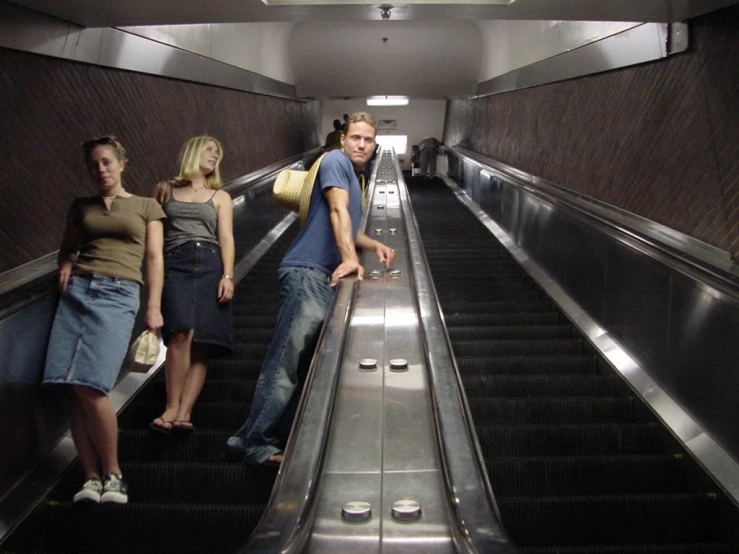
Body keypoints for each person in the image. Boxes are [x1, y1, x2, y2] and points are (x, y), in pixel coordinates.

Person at [226, 112, 396, 466]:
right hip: (308, 272)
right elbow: (336, 210)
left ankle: (247, 436)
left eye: (368, 140)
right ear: (344, 140)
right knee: (285, 361)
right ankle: (257, 442)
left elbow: (346, 224)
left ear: (375, 145)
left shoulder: (356, 179)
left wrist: (372, 244)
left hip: (321, 275)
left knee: (296, 361)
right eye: (355, 138)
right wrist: (350, 259)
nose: (361, 144)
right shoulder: (335, 162)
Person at [43, 135, 165, 504]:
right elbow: (68, 247)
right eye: (94, 164)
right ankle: (90, 477)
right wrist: (65, 263)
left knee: (93, 386)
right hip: (78, 292)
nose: (101, 169)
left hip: (119, 294)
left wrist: (153, 306)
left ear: (122, 163)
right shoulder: (81, 207)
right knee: (75, 387)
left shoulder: (146, 207)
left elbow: (155, 259)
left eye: (107, 162)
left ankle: (114, 474)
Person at [148, 136, 235, 434]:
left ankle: (184, 413)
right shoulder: (164, 190)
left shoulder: (220, 196)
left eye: (217, 152)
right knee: (180, 333)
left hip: (210, 263)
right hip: (175, 263)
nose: (214, 155)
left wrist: (227, 275)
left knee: (202, 344)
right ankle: (171, 405)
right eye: (209, 149)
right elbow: (154, 241)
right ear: (192, 152)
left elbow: (226, 238)